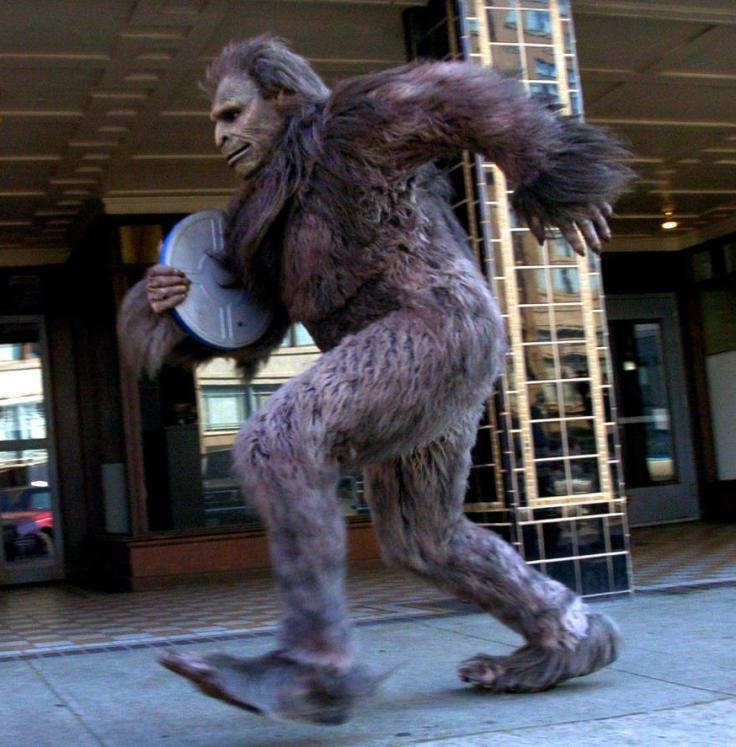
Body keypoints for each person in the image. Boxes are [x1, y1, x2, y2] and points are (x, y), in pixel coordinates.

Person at [118, 35, 631, 724]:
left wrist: (545, 171)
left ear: (281, 97)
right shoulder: (256, 221)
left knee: (276, 441)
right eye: (215, 122)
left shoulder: (350, 125)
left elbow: (462, 95)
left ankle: (316, 656)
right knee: (423, 537)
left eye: (233, 114)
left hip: (437, 324)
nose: (221, 134)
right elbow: (247, 323)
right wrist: (169, 302)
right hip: (401, 359)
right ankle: (567, 629)